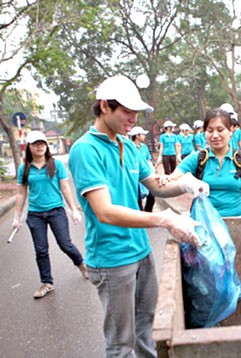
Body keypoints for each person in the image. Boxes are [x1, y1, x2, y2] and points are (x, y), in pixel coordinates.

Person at [69, 74, 208, 358]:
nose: (133, 118)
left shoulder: (128, 146)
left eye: (136, 112)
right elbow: (105, 211)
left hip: (140, 252)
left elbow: (155, 183)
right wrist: (166, 220)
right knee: (121, 343)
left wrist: (183, 183)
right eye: (127, 111)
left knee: (147, 329)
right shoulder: (86, 150)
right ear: (105, 106)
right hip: (112, 259)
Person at [12, 130, 87, 299]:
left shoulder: (56, 165)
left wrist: (73, 209)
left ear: (46, 145)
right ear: (29, 147)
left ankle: (81, 264)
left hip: (56, 211)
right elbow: (21, 193)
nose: (39, 146)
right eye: (35, 144)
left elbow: (65, 188)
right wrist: (17, 216)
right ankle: (46, 282)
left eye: (42, 143)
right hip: (35, 214)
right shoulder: (24, 168)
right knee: (41, 250)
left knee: (65, 244)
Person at [170, 108, 241, 217]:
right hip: (203, 225)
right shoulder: (197, 159)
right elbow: (172, 179)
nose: (215, 135)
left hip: (236, 225)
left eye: (220, 130)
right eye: (210, 130)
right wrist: (171, 180)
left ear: (230, 131)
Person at [129, 126, 156, 212]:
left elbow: (148, 160)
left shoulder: (144, 147)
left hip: (146, 174)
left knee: (152, 195)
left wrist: (152, 170)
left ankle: (148, 213)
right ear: (137, 135)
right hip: (136, 176)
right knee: (138, 198)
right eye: (143, 134)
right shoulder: (129, 147)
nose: (144, 136)